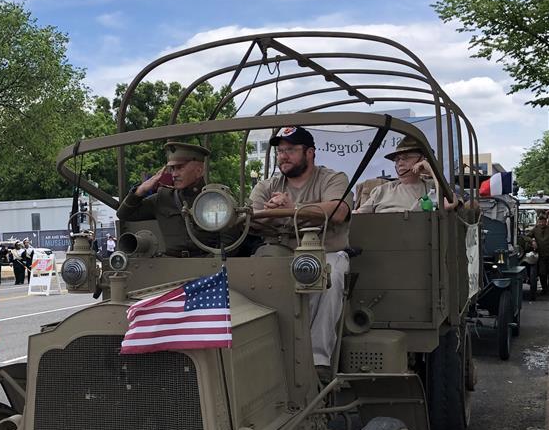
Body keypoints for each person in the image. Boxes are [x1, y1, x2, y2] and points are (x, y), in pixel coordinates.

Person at [249, 126, 353, 369]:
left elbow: (338, 211)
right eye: (280, 151)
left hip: (325, 252)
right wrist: (271, 212)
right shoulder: (267, 186)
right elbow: (251, 219)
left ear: (310, 152)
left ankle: (318, 361)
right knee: (249, 277)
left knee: (328, 273)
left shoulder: (332, 179)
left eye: (291, 150)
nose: (283, 156)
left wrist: (292, 208)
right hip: (277, 253)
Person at [117, 142, 236, 256]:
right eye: (172, 169)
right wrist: (140, 190)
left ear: (199, 171)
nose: (174, 174)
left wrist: (211, 264)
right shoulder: (163, 198)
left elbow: (228, 246)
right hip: (171, 264)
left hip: (208, 264)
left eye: (179, 168)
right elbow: (124, 214)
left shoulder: (217, 199)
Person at [355, 137, 458, 213]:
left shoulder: (433, 187)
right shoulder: (382, 190)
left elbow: (449, 203)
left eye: (405, 158)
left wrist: (431, 170)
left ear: (422, 159)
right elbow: (357, 216)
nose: (399, 163)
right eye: (397, 160)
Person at [529, 213, 549, 294]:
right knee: (542, 273)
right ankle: (545, 289)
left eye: (543, 221)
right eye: (540, 222)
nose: (542, 223)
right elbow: (526, 236)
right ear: (538, 222)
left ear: (546, 221)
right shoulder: (535, 229)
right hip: (541, 255)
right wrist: (532, 241)